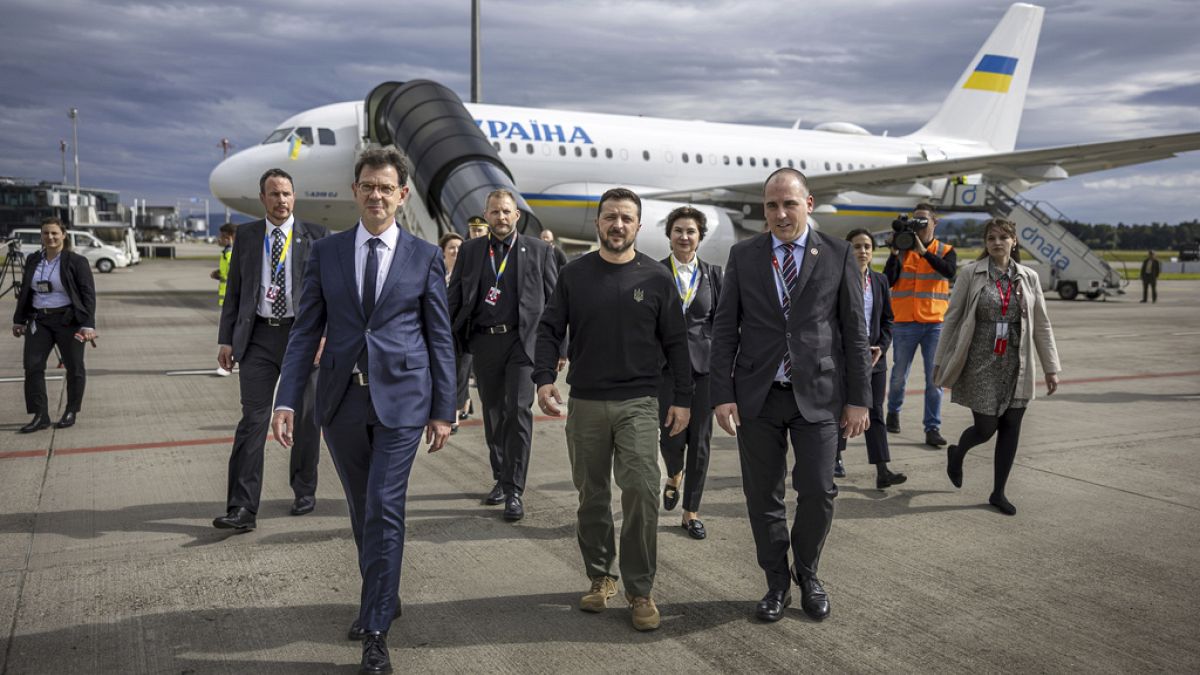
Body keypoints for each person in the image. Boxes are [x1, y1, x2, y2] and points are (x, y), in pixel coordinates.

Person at [271, 147, 455, 674]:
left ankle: (375, 627)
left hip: (403, 402)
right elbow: (307, 327)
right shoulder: (327, 253)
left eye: (386, 187)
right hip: (342, 401)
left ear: (402, 195)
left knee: (383, 504)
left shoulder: (423, 256)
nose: (377, 195)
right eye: (368, 186)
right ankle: (385, 590)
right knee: (360, 508)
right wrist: (287, 397)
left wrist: (444, 408)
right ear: (356, 191)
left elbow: (439, 337)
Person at [710, 168, 870, 623]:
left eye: (789, 204)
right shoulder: (744, 256)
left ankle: (809, 573)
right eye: (772, 205)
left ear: (809, 204)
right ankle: (776, 583)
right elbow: (724, 331)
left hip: (819, 396)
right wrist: (722, 394)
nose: (780, 214)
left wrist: (859, 400)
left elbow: (854, 333)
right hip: (757, 396)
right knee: (763, 497)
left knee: (819, 491)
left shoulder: (838, 254)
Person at [534, 187, 692, 632]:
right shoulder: (575, 274)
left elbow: (677, 344)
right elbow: (549, 329)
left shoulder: (658, 279)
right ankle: (601, 576)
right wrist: (544, 378)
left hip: (640, 402)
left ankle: (640, 588)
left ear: (639, 225)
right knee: (593, 496)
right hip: (584, 401)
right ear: (598, 223)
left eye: (626, 217)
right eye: (609, 217)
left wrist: (683, 399)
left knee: (643, 489)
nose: (617, 225)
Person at [213, 169, 329, 532]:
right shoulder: (247, 236)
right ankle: (242, 508)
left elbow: (329, 293)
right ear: (262, 198)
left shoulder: (315, 236)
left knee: (307, 419)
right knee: (253, 421)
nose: (281, 200)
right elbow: (234, 290)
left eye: (286, 194)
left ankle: (304, 488)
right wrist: (226, 337)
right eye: (274, 194)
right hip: (259, 337)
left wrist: (325, 335)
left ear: (295, 198)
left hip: (303, 338)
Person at [935, 218, 1061, 516]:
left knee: (1011, 427)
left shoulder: (1028, 277)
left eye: (1003, 237)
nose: (997, 242)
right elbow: (952, 319)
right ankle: (958, 452)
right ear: (986, 243)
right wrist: (939, 362)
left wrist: (1051, 368)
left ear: (1014, 242)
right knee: (985, 428)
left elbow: (1042, 324)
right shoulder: (971, 274)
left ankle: (998, 492)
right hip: (981, 361)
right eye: (991, 238)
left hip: (1017, 362)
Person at [448, 189, 559, 521]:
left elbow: (556, 304)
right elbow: (454, 297)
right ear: (486, 215)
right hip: (484, 343)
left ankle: (514, 491)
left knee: (518, 411)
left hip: (523, 344)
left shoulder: (539, 250)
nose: (500, 217)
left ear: (517, 215)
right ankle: (501, 476)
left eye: (506, 212)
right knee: (493, 415)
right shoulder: (470, 251)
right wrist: (444, 339)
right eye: (494, 212)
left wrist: (559, 350)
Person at [656, 206, 722, 540]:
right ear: (669, 235)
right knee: (671, 437)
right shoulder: (653, 273)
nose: (684, 236)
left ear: (700, 237)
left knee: (700, 443)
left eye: (691, 231)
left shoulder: (713, 274)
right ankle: (674, 474)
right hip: (667, 370)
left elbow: (723, 325)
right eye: (678, 230)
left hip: (703, 371)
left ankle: (691, 511)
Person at [835, 229, 906, 489]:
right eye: (856, 246)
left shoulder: (880, 281)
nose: (862, 251)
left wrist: (882, 348)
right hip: (844, 356)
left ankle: (882, 469)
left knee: (875, 411)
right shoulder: (837, 280)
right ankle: (835, 457)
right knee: (840, 408)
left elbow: (888, 319)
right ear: (847, 250)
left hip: (874, 357)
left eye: (867, 246)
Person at [12, 217, 96, 433]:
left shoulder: (76, 261)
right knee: (32, 367)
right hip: (39, 320)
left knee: (75, 367)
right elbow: (26, 292)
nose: (49, 237)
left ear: (63, 235)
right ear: (41, 236)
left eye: (54, 233)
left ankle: (71, 410)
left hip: (68, 321)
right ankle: (41, 415)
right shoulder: (33, 260)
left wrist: (88, 324)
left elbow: (88, 295)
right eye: (45, 233)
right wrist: (19, 319)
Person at [883, 203, 956, 447]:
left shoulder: (945, 250)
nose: (920, 224)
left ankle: (932, 428)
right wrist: (894, 252)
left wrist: (924, 252)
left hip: (934, 323)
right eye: (916, 220)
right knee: (898, 376)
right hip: (904, 323)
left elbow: (949, 272)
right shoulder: (903, 250)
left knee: (934, 380)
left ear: (936, 223)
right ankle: (893, 412)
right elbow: (888, 281)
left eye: (924, 220)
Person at [439, 232, 470, 433]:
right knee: (444, 375)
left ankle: (455, 415)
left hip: (463, 335)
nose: (455, 251)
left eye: (459, 248)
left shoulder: (470, 279)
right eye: (451, 247)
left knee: (460, 375)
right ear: (443, 253)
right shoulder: (436, 278)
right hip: (442, 335)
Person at [212, 222, 237, 376]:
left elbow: (234, 276)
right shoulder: (226, 253)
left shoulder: (231, 254)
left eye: (221, 236)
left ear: (229, 238)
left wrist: (220, 275)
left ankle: (227, 364)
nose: (219, 239)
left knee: (231, 334)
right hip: (227, 300)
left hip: (233, 300)